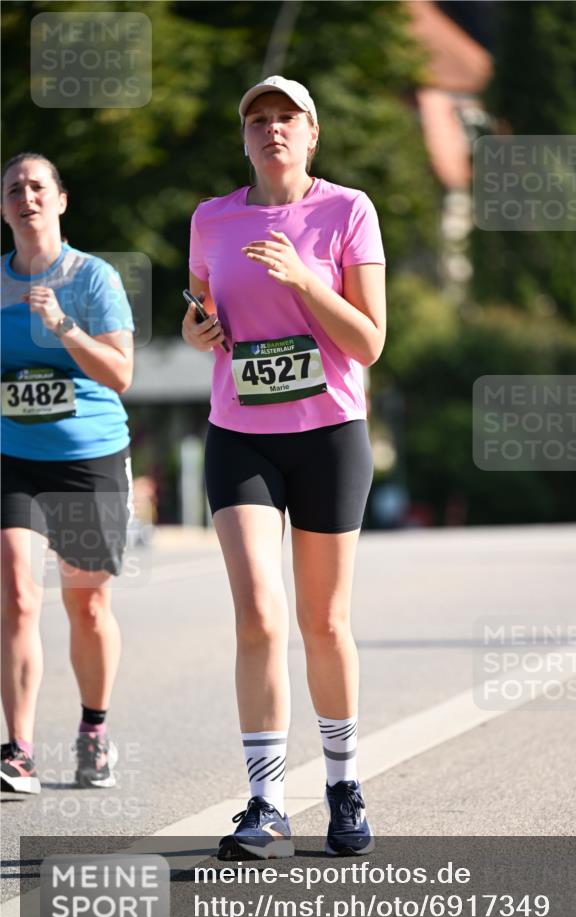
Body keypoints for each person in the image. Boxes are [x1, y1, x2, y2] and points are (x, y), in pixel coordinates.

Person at [183, 76, 386, 859]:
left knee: (323, 621)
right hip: (240, 433)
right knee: (259, 615)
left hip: (329, 432)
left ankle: (341, 782)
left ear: (312, 134)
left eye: (286, 118)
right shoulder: (211, 219)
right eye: (258, 120)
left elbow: (368, 343)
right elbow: (199, 308)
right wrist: (197, 330)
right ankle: (265, 802)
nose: (272, 129)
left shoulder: (346, 212)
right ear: (243, 139)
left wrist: (304, 282)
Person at [1, 153, 134, 794]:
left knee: (86, 605)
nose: (26, 197)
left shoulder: (93, 278)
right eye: (14, 190)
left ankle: (93, 732)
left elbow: (120, 373)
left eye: (36, 187)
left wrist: (62, 326)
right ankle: (18, 749)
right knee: (21, 598)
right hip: (13, 461)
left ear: (60, 200)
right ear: (3, 209)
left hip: (88, 458)